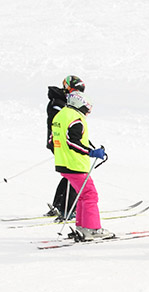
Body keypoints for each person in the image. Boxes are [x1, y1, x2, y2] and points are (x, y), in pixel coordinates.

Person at [51, 91, 109, 241]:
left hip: (63, 163)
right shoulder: (75, 118)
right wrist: (91, 152)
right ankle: (92, 228)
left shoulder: (61, 115)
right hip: (75, 164)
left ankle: (83, 226)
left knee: (83, 195)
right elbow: (73, 142)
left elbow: (53, 139)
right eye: (87, 108)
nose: (88, 112)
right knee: (90, 195)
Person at [45, 75, 84, 220]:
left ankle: (60, 206)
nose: (77, 95)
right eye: (75, 90)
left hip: (62, 142)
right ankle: (67, 209)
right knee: (75, 173)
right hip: (61, 143)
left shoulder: (63, 102)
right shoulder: (58, 103)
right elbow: (61, 125)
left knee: (70, 174)